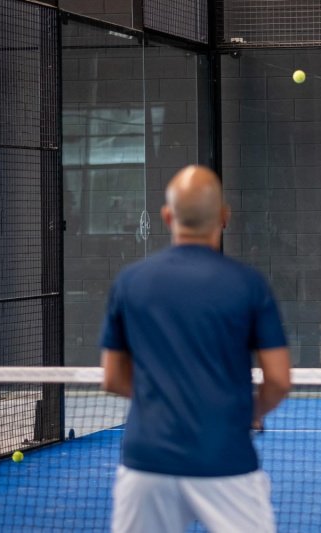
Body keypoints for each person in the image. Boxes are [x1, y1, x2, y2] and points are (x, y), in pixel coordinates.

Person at [99, 165, 291, 533]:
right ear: (224, 217)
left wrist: (163, 400)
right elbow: (279, 380)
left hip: (147, 459)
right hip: (226, 458)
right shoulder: (248, 284)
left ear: (167, 216)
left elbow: (112, 378)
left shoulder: (130, 282)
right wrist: (249, 412)